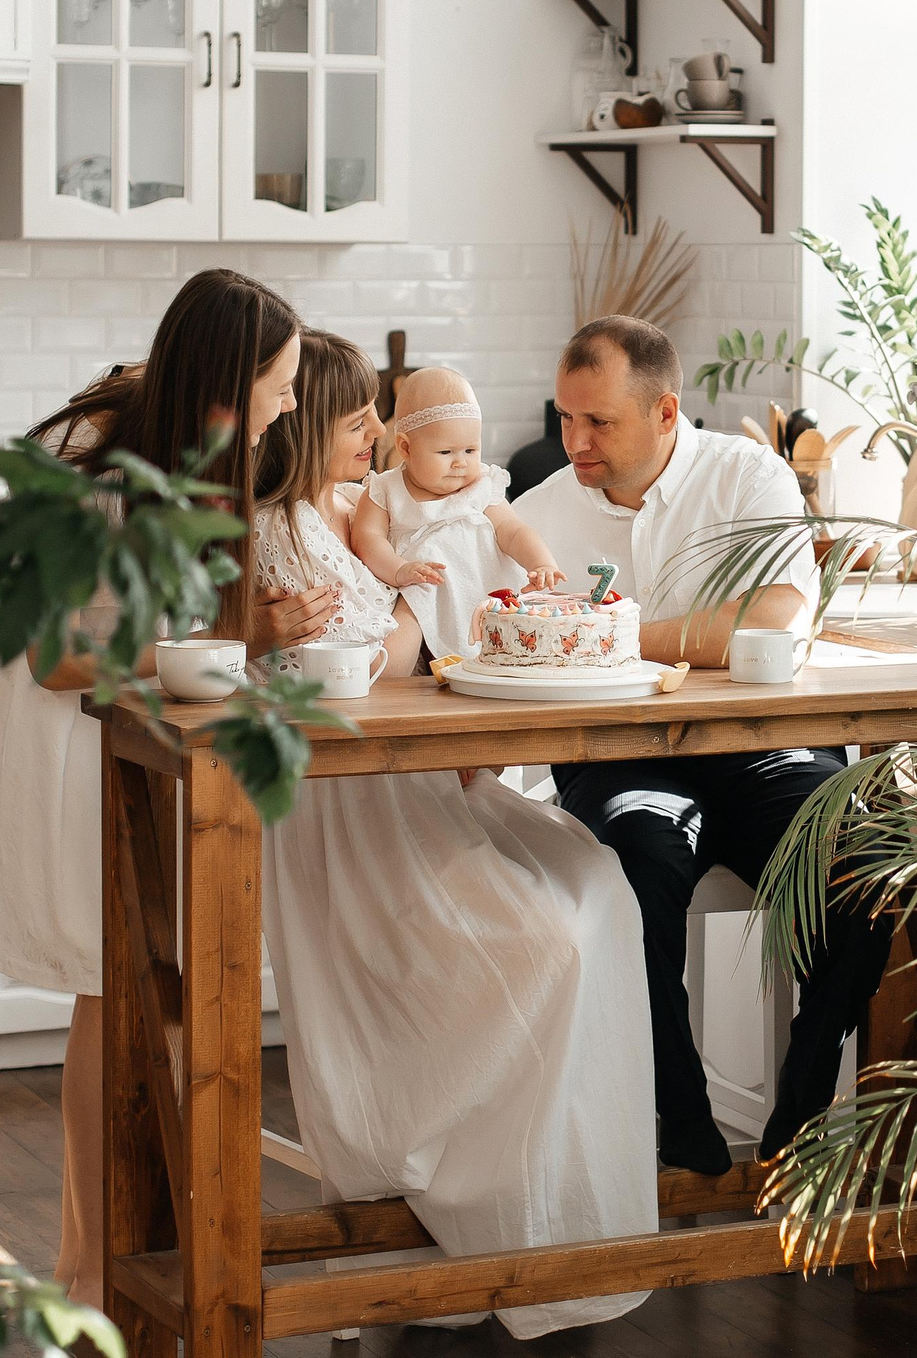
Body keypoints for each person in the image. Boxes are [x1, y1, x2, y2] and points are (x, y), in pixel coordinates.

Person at [252, 332, 657, 1338]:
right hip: (347, 807)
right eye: (356, 424)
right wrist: (364, 630)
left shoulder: (346, 509)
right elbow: (319, 664)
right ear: (307, 427)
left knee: (597, 878)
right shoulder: (268, 531)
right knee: (543, 941)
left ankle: (542, 1197)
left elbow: (398, 627)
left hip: (415, 777)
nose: (376, 438)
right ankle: (462, 1181)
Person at [0, 268, 313, 1304]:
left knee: (133, 999)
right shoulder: (100, 469)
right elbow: (64, 658)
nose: (287, 407)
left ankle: (104, 1258)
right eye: (280, 387)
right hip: (70, 741)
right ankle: (92, 1263)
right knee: (117, 999)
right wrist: (220, 645)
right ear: (226, 386)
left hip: (120, 737)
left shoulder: (168, 431)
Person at [511, 315, 898, 1175]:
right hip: (618, 758)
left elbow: (769, 621)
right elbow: (507, 634)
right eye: (564, 417)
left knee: (868, 862)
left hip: (766, 749)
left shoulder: (747, 475)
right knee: (639, 859)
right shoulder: (535, 515)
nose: (572, 441)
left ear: (663, 412)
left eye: (597, 422)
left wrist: (604, 634)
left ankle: (804, 1088)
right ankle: (678, 1107)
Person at [349, 364, 567, 661]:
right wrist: (399, 569)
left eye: (470, 450)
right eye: (445, 452)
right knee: (405, 625)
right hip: (422, 586)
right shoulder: (386, 489)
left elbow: (513, 531)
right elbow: (367, 538)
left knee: (522, 629)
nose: (460, 463)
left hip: (488, 590)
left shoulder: (482, 486)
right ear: (405, 448)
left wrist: (540, 562)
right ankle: (390, 682)